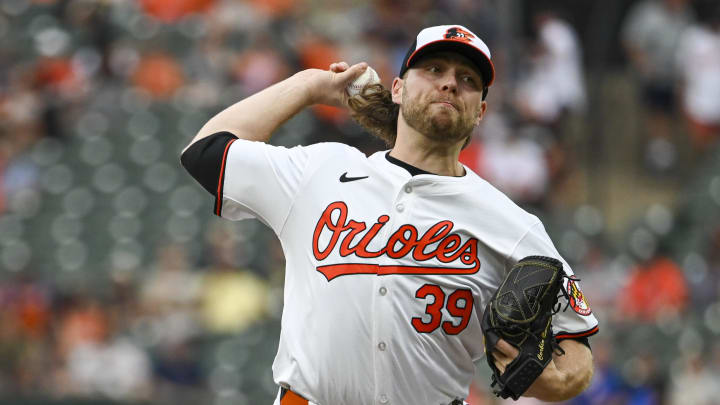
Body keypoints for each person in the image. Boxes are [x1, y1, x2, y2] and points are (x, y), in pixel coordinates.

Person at [181, 24, 598, 405]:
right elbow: (205, 152)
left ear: (481, 112)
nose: (450, 83)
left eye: (468, 80)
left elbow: (577, 349)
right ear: (397, 88)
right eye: (433, 69)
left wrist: (552, 381)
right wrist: (307, 86)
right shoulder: (320, 170)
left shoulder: (513, 225)